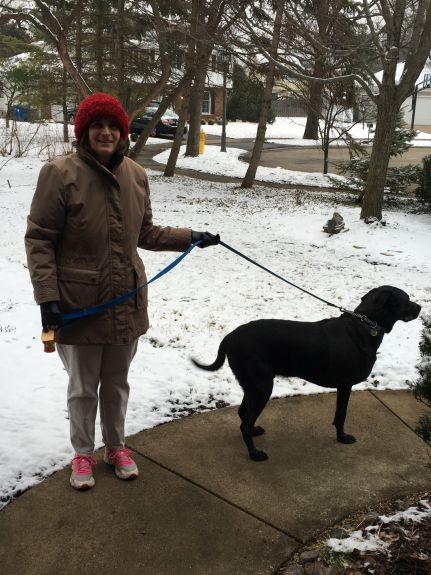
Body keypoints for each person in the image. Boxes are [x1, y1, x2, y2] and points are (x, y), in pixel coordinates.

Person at [25, 92, 219, 490]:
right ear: (84, 132)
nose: (106, 132)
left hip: (126, 300)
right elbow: (39, 239)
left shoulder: (136, 174)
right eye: (97, 125)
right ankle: (83, 453)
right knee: (83, 387)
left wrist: (191, 237)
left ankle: (116, 446)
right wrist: (48, 298)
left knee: (116, 382)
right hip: (78, 303)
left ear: (123, 132)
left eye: (113, 126)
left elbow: (145, 233)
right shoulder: (59, 173)